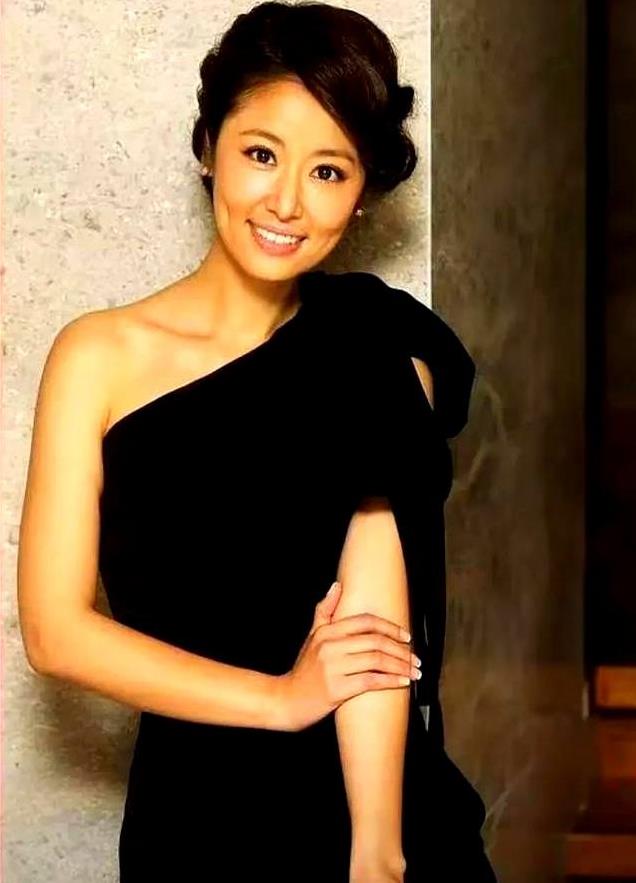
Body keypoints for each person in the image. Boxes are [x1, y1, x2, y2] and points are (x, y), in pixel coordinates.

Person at [17, 2, 498, 881]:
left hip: (369, 799)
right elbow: (55, 631)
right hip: (195, 817)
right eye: (262, 154)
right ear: (209, 147)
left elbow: (373, 609)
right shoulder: (96, 355)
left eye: (328, 170)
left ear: (362, 194)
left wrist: (378, 855)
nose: (286, 202)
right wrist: (279, 699)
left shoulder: (377, 345)